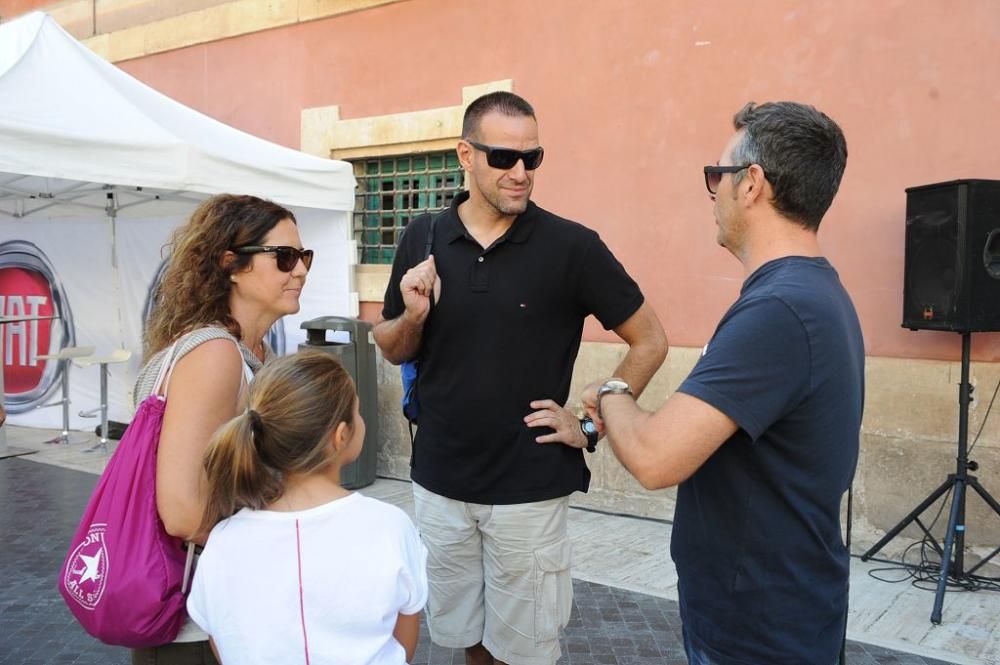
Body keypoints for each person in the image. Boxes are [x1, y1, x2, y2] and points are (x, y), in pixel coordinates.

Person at [374, 91, 668, 665]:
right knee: (463, 641)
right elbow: (389, 346)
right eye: (503, 158)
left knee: (526, 651)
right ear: (465, 154)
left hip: (528, 491)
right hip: (440, 482)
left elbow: (650, 340)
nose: (520, 173)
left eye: (532, 159)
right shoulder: (423, 235)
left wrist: (590, 419)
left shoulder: (572, 246)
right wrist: (412, 314)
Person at [582, 101, 863, 664]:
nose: (713, 193)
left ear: (752, 183)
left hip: (758, 631)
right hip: (771, 613)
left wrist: (612, 394)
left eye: (718, 175)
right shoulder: (806, 295)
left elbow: (657, 458)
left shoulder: (780, 310)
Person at [131, 193, 312, 665]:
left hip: (227, 613)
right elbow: (185, 513)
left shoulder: (249, 355)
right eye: (285, 257)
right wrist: (290, 546)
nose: (300, 271)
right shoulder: (214, 355)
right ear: (231, 264)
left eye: (304, 257)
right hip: (194, 629)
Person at [186, 351, 428, 664]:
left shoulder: (223, 540)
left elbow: (221, 642)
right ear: (341, 436)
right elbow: (404, 642)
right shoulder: (389, 527)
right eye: (358, 411)